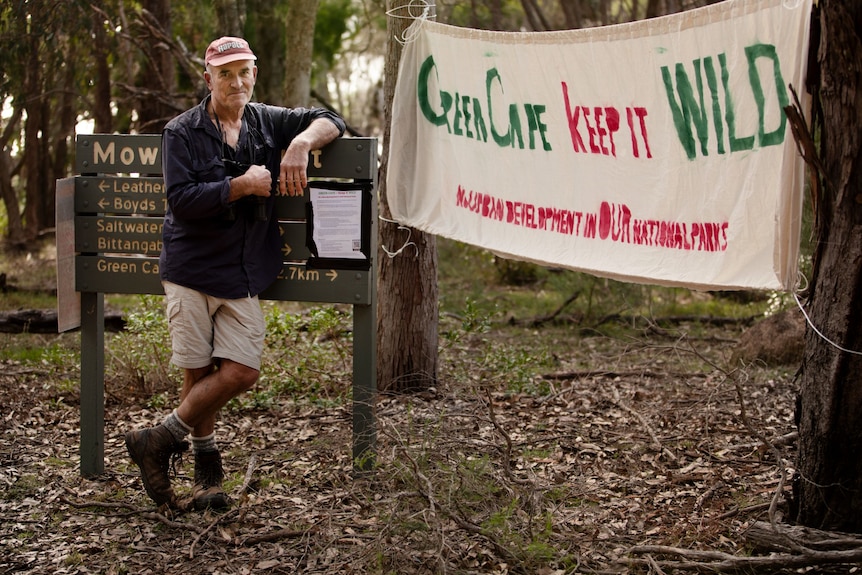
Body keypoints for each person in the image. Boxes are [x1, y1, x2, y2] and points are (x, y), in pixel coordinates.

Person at [125, 36, 346, 510]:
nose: (236, 81)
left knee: (242, 371)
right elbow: (181, 201)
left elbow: (333, 120)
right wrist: (240, 185)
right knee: (198, 374)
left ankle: (157, 440)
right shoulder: (181, 132)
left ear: (254, 73)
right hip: (190, 269)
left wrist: (300, 145)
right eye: (225, 73)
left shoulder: (269, 121)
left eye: (243, 71)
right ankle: (207, 476)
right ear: (208, 79)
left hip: (244, 272)